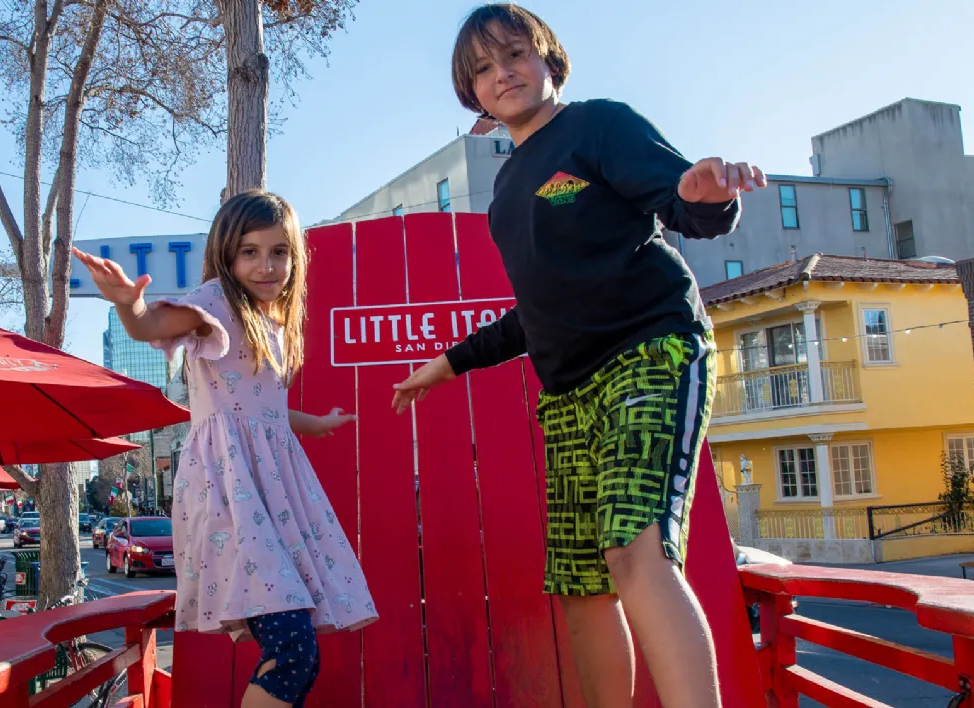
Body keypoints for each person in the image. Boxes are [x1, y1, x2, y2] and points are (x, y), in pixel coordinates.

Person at [392, 6, 766, 707]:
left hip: (649, 353)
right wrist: (448, 364)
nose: (502, 73)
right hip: (568, 392)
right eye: (482, 68)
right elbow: (539, 311)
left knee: (634, 551)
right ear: (470, 92)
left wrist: (706, 197)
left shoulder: (598, 125)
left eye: (514, 54)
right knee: (582, 586)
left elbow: (684, 199)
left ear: (548, 60)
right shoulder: (505, 191)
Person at [75, 191, 377, 708]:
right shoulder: (215, 302)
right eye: (250, 252)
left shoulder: (274, 323)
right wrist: (130, 305)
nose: (266, 265)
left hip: (272, 496)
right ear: (226, 256)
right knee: (293, 652)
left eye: (279, 252)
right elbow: (153, 326)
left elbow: (264, 411)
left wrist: (316, 423)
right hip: (230, 494)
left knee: (293, 654)